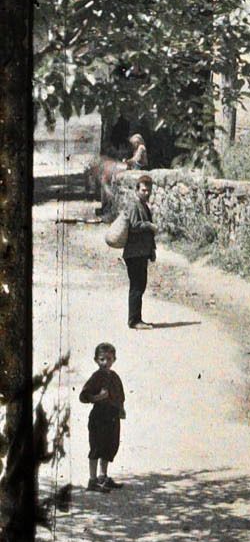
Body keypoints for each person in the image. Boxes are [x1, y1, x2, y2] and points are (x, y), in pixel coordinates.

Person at [79, 342, 125, 491]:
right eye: (102, 359)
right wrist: (98, 397)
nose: (105, 362)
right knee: (96, 447)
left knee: (109, 446)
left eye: (109, 359)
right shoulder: (96, 377)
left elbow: (120, 395)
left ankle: (103, 477)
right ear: (96, 360)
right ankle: (92, 480)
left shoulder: (115, 377)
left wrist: (121, 409)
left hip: (112, 417)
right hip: (99, 417)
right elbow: (84, 396)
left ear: (114, 359)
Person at [122, 173, 156, 328]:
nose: (146, 193)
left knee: (140, 285)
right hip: (134, 253)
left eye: (148, 190)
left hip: (141, 252)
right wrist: (149, 225)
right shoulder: (134, 205)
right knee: (137, 286)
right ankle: (134, 321)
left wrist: (152, 250)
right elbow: (134, 225)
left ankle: (136, 319)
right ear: (137, 190)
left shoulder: (143, 205)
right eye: (143, 190)